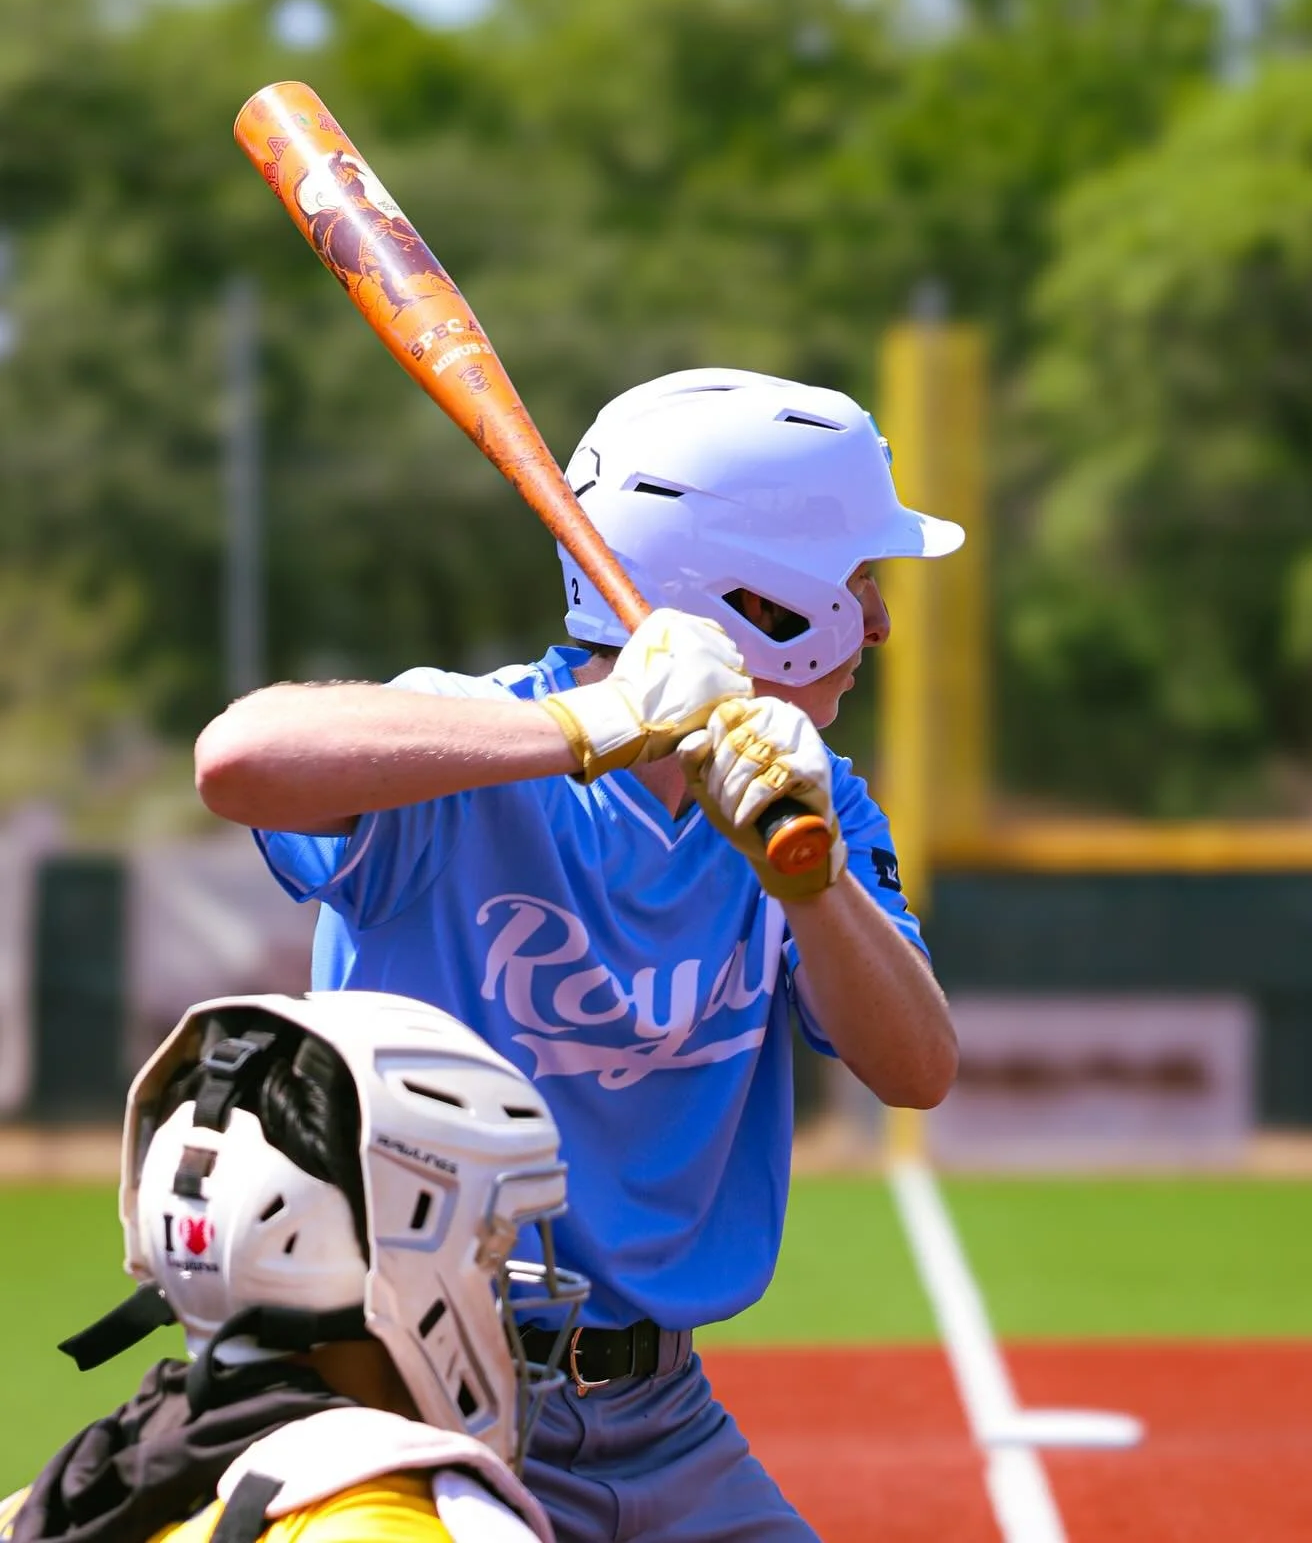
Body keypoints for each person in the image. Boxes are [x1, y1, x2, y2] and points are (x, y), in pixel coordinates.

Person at [194, 367, 966, 1542]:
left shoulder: (816, 801)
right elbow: (239, 757)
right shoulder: (462, 749)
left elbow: (917, 1067)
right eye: (857, 581)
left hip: (664, 1418)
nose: (881, 621)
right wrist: (581, 732)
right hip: (409, 1398)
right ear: (757, 598)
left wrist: (809, 885)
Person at [0, 990, 588, 1543]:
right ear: (396, 1260)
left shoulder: (61, 1497)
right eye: (487, 1250)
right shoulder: (402, 1523)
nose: (498, 1285)